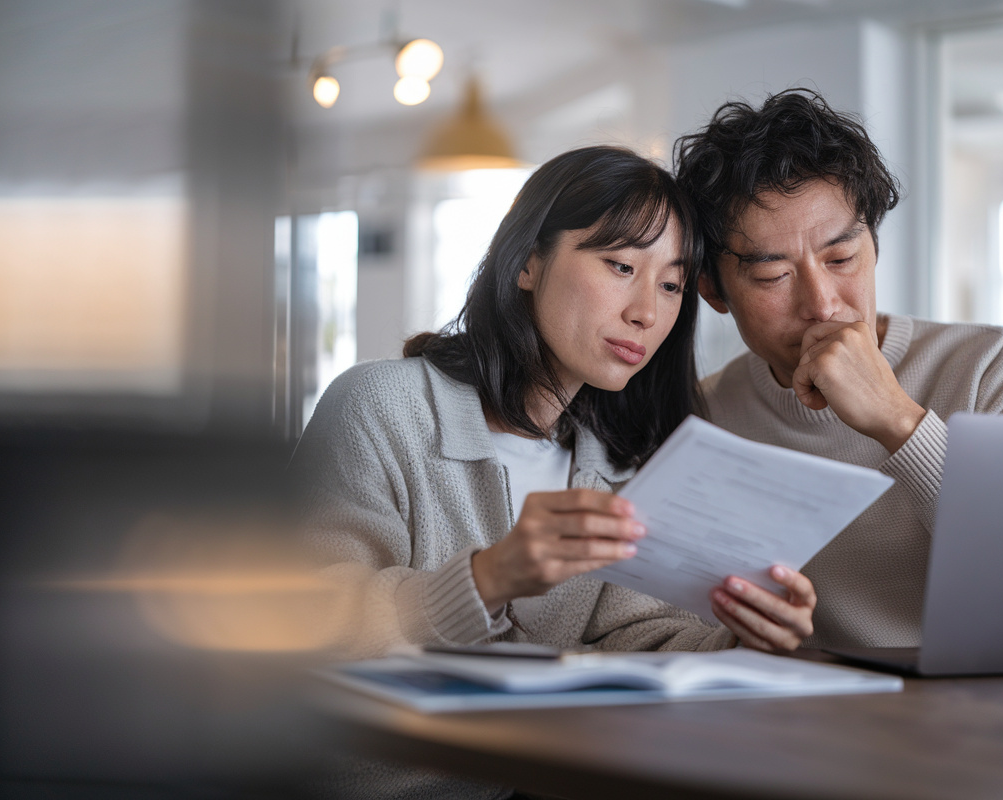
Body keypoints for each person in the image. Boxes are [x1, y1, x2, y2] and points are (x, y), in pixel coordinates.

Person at [291, 146, 816, 798]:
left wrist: (745, 640)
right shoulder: (380, 407)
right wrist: (486, 580)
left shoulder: (621, 462)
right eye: (622, 266)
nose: (646, 312)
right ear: (529, 263)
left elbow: (638, 643)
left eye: (672, 284)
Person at [674, 90, 1003, 649]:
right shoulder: (705, 417)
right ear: (713, 290)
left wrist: (896, 418)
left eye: (842, 258)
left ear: (875, 246)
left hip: (985, 708)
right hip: (797, 713)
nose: (821, 303)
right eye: (772, 276)